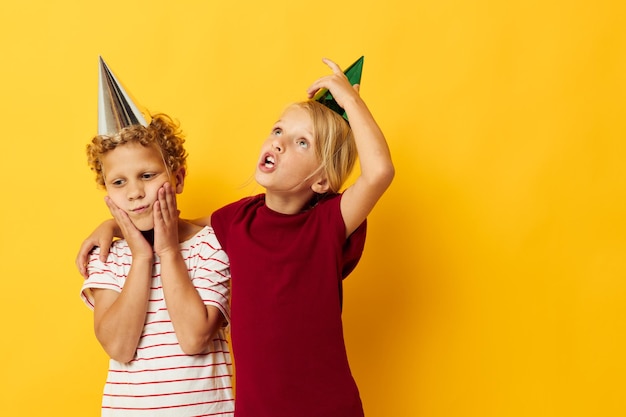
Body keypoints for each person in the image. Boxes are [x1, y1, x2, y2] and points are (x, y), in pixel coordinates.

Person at [77, 57, 394, 417]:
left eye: (301, 142)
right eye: (278, 131)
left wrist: (349, 100)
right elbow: (177, 224)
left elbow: (379, 172)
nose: (280, 144)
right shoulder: (236, 220)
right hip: (255, 410)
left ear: (322, 180)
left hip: (324, 406)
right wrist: (115, 226)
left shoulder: (328, 223)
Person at [80, 58, 234, 416]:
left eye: (147, 175)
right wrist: (141, 257)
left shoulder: (212, 245)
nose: (134, 193)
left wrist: (166, 251)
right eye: (119, 182)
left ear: (177, 179)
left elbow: (194, 337)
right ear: (107, 190)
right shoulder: (108, 257)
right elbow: (118, 346)